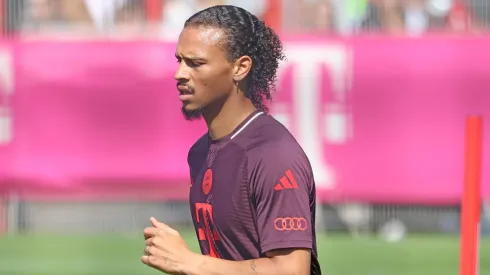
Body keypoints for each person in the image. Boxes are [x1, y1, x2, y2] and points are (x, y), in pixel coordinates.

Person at [141, 5, 322, 275]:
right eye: (179, 60)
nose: (180, 73)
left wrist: (190, 263)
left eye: (196, 63)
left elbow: (291, 271)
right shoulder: (200, 152)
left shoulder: (274, 156)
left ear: (240, 68)